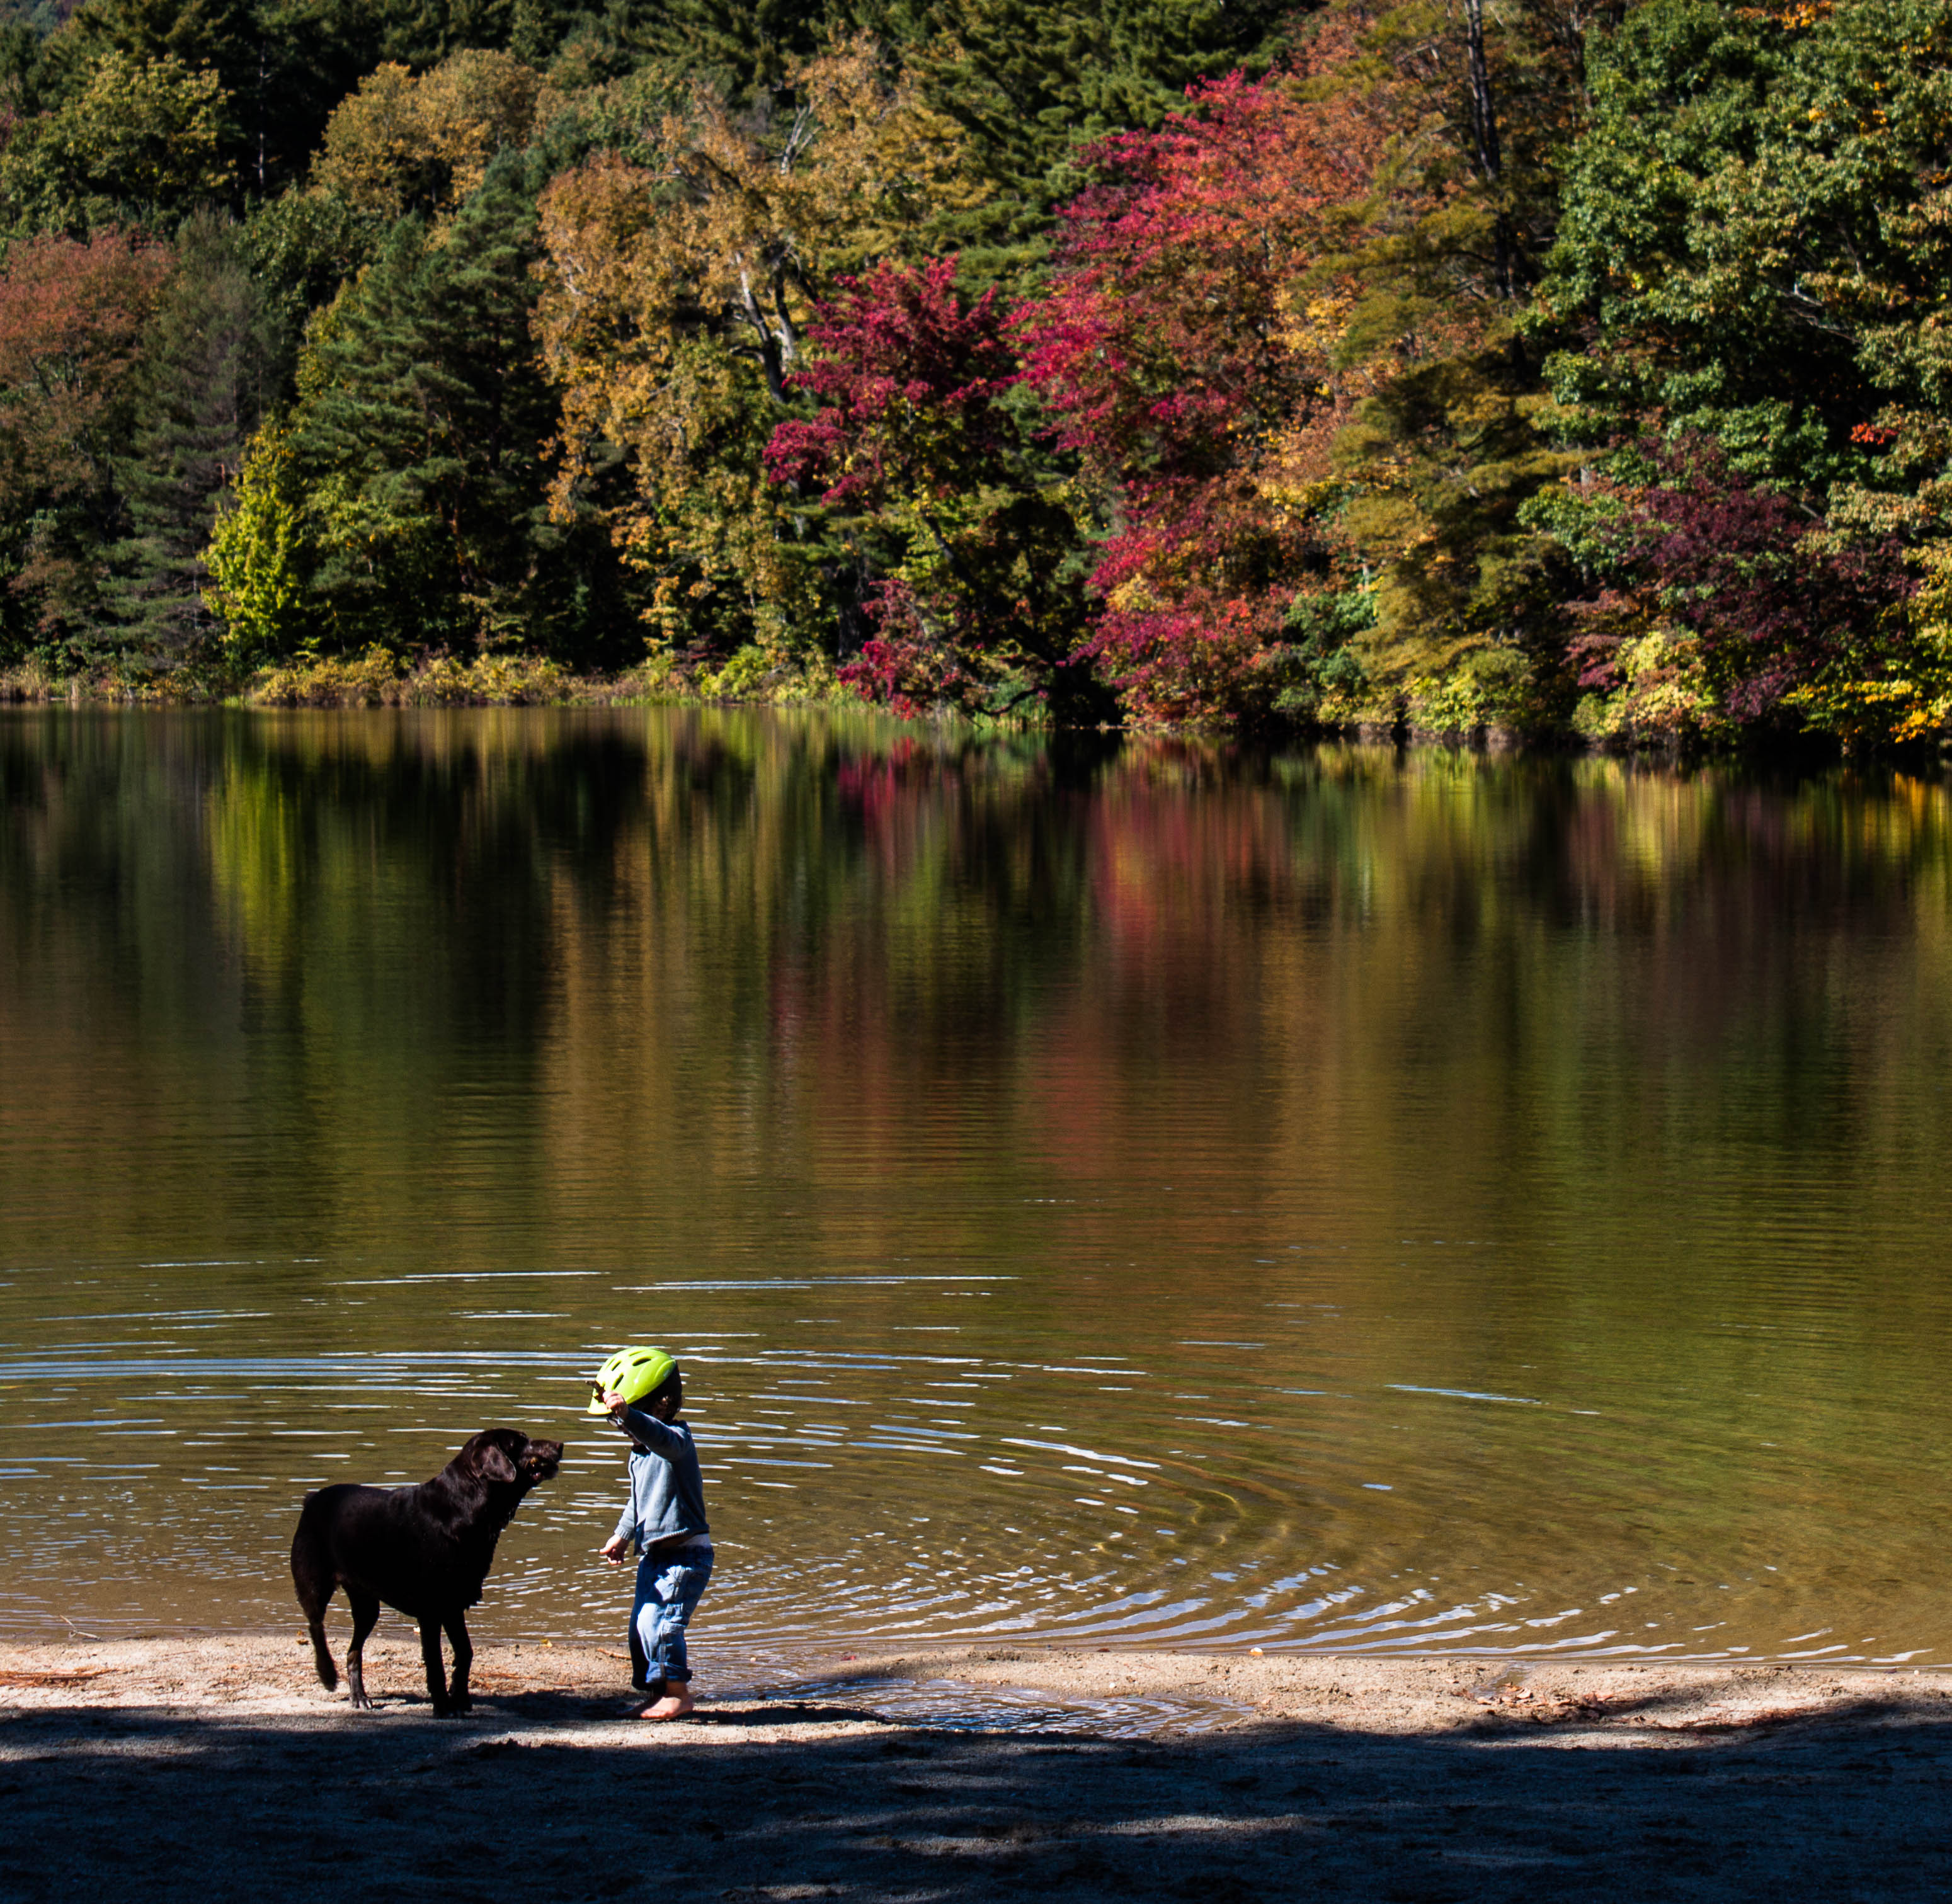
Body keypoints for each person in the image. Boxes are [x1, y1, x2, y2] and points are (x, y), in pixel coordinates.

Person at [589, 1345, 712, 1721]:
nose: (619, 1428)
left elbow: (658, 1436)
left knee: (662, 1624)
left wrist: (629, 1416)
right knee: (641, 1627)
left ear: (656, 1407)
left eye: (621, 1420)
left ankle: (679, 1694)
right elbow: (637, 1503)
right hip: (655, 1557)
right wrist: (622, 1535)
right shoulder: (640, 1453)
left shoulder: (676, 1441)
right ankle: (659, 1693)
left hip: (685, 1557)